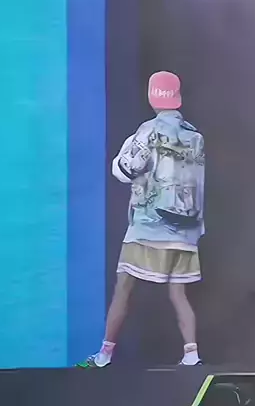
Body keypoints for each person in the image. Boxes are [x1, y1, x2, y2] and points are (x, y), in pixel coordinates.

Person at [77, 71, 206, 368]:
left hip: (149, 227)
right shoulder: (195, 136)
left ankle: (104, 355)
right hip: (186, 232)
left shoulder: (148, 132)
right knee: (179, 293)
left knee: (123, 287)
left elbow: (124, 170)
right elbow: (199, 184)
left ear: (153, 95)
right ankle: (192, 354)